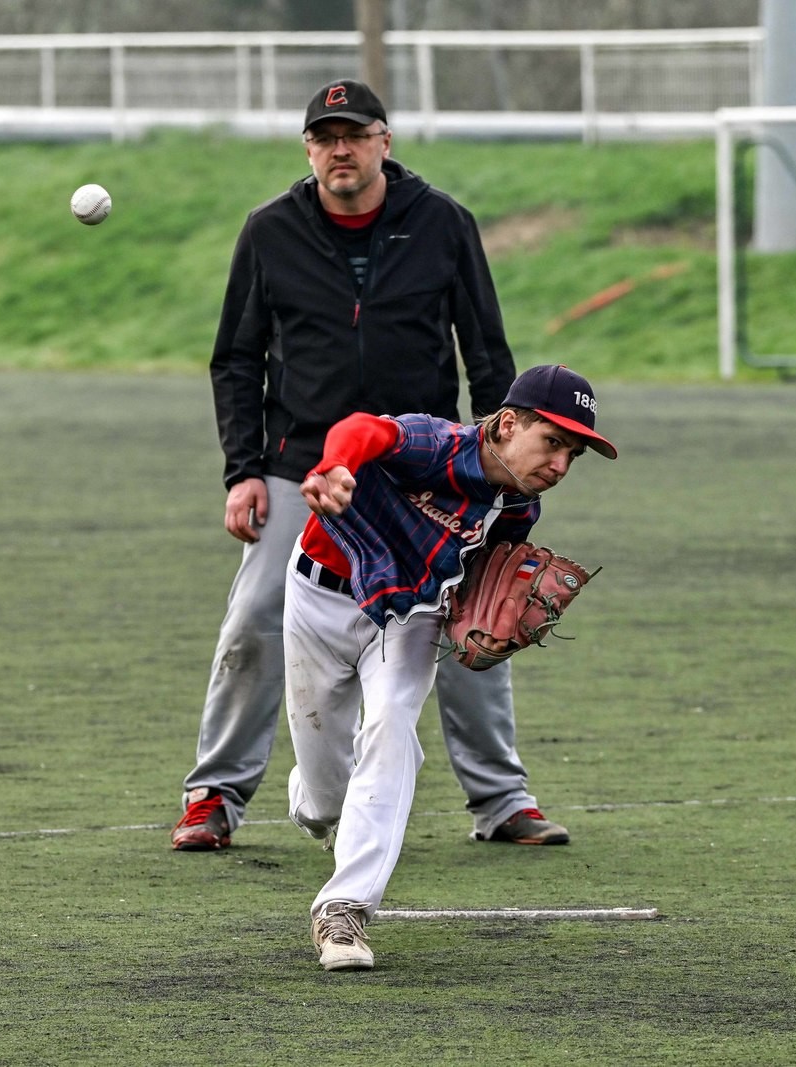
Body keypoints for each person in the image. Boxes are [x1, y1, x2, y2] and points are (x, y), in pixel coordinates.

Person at [174, 78, 569, 852]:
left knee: (471, 613)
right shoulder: (270, 231)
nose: (340, 149)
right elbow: (237, 359)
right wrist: (242, 469)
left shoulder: (443, 223)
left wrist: (506, 465)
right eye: (325, 137)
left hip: (429, 467)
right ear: (309, 149)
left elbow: (486, 350)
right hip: (304, 465)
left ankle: (501, 798)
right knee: (256, 614)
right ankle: (214, 794)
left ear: (385, 140)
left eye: (354, 134)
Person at [287, 363, 618, 970]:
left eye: (573, 454)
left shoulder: (517, 507)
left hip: (410, 616)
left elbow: (483, 577)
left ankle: (344, 912)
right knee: (323, 802)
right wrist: (332, 467)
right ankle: (317, 791)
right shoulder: (437, 444)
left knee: (391, 729)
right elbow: (365, 429)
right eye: (552, 442)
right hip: (318, 598)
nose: (560, 466)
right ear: (509, 423)